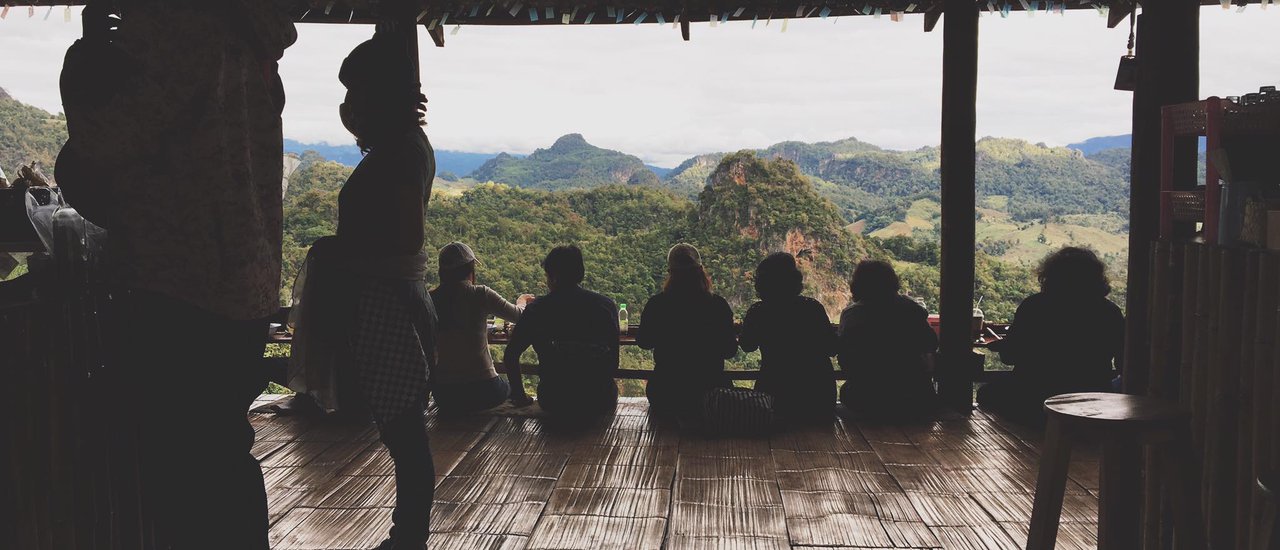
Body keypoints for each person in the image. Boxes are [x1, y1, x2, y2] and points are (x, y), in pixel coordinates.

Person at [55, 2, 295, 547]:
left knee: (182, 473)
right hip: (245, 276)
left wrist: (86, 60)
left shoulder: (178, 20)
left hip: (176, 274)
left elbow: (108, 140)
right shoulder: (251, 35)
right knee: (221, 456)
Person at [291, 32, 438, 550]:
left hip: (386, 310)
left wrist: (336, 253)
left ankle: (407, 540)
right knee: (405, 437)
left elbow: (404, 237)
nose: (348, 107)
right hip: (392, 304)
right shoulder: (402, 146)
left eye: (355, 93)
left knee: (404, 438)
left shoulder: (398, 153)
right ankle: (407, 537)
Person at [978, 247, 1124, 425]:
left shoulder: (1034, 306)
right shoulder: (1110, 312)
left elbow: (1010, 356)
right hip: (1093, 400)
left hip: (1034, 398)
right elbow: (1123, 361)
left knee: (986, 393)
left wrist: (1003, 346)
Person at [503, 245, 619, 419]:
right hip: (600, 399)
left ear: (553, 277)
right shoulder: (606, 306)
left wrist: (520, 396)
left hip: (554, 399)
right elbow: (613, 362)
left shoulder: (537, 310)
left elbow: (511, 355)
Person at [636, 244, 738, 424]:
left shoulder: (657, 304)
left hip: (666, 392)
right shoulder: (718, 305)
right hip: (711, 392)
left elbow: (644, 341)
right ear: (700, 271)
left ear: (671, 272)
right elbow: (730, 350)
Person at [429, 242, 533, 415]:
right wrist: (521, 301)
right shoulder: (480, 294)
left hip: (444, 395)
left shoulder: (430, 299)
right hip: (484, 390)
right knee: (507, 388)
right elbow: (520, 316)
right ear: (470, 270)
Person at [738, 252, 840, 424]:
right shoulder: (813, 308)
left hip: (775, 397)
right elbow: (831, 348)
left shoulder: (759, 311)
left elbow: (747, 345)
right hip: (818, 397)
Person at [837, 260, 939, 417]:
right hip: (915, 397)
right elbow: (931, 343)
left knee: (846, 392)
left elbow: (845, 358)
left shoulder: (852, 314)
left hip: (867, 397)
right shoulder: (911, 310)